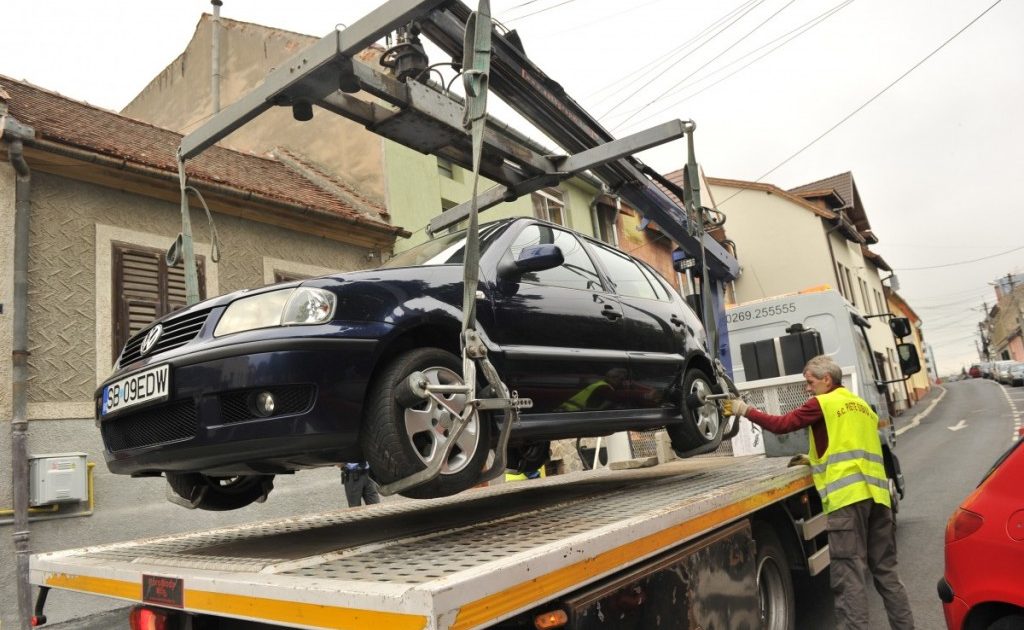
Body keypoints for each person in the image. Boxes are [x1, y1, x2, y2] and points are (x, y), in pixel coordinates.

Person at [723, 354, 914, 630]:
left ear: (827, 380)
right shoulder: (861, 406)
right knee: (887, 574)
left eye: (810, 382)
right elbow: (849, 446)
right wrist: (814, 460)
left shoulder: (822, 404)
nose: (807, 389)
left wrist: (744, 410)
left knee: (849, 579)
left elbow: (782, 425)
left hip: (847, 503)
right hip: (879, 500)